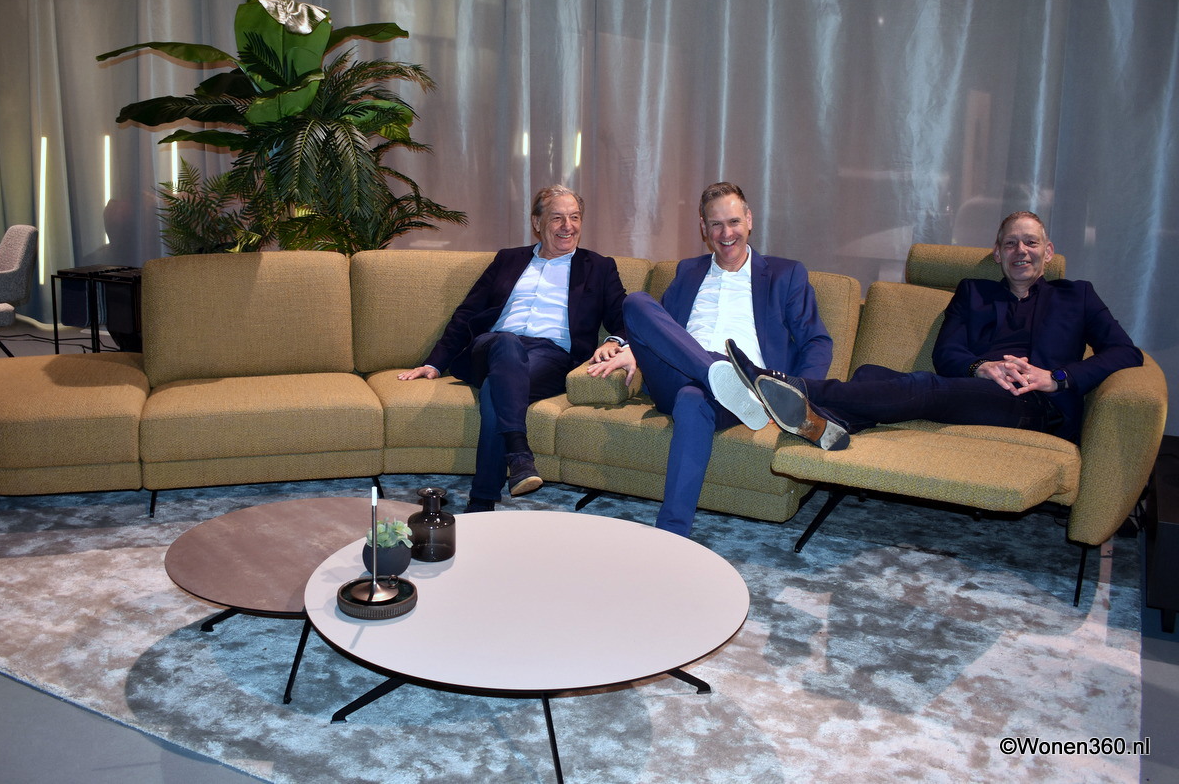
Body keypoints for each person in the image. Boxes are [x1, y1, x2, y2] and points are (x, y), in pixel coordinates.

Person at [714, 210, 1143, 450]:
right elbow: (947, 353)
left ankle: (787, 385)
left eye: (1031, 242)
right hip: (979, 391)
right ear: (997, 253)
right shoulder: (973, 292)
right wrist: (980, 367)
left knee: (920, 386)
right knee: (871, 374)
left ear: (1048, 252)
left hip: (1035, 405)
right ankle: (831, 426)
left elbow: (1126, 352)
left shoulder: (1077, 296)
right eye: (1010, 243)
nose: (1021, 251)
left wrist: (1057, 378)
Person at [595, 181, 833, 537]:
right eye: (716, 224)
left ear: (749, 220)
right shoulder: (687, 272)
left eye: (734, 222)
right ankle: (715, 373)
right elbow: (660, 328)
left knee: (693, 401)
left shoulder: (785, 274)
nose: (726, 233)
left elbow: (816, 340)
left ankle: (671, 534)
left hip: (743, 387)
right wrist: (632, 348)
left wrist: (797, 395)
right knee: (637, 302)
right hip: (677, 374)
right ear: (704, 229)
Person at [398, 185, 634, 512]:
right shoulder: (508, 259)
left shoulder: (599, 266)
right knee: (506, 344)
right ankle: (518, 452)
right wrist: (435, 362)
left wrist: (614, 340)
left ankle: (482, 500)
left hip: (551, 356)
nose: (568, 226)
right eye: (557, 218)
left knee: (496, 389)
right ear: (537, 222)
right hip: (492, 346)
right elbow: (468, 312)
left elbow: (625, 316)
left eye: (575, 217)